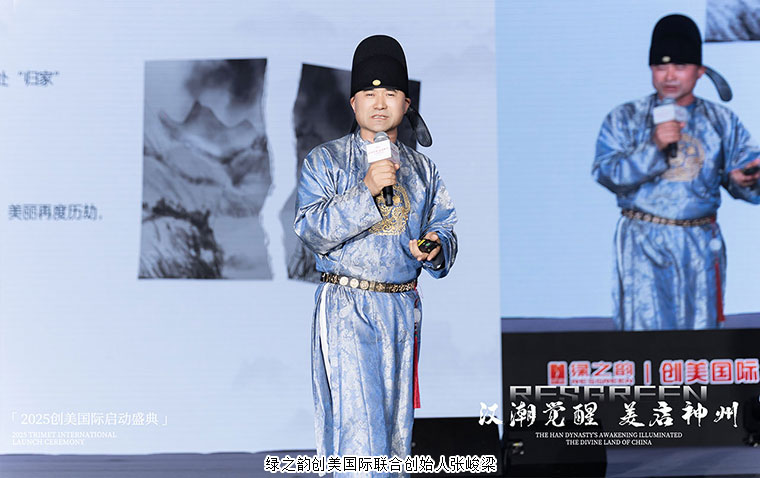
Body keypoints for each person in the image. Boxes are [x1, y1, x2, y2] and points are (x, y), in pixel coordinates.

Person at [293, 35, 457, 470]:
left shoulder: (423, 170)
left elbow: (444, 225)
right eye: (368, 93)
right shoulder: (325, 161)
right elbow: (310, 229)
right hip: (348, 306)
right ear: (353, 104)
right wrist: (366, 189)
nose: (379, 103)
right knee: (359, 434)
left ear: (407, 103)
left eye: (391, 94)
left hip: (401, 308)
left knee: (395, 437)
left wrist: (435, 246)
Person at [593, 14, 760, 331]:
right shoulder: (625, 117)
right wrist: (653, 147)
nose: (669, 75)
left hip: (700, 242)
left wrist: (747, 180)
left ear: (699, 71)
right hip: (642, 242)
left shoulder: (721, 120)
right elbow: (606, 173)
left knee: (701, 340)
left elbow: (747, 174)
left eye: (680, 66)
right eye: (660, 66)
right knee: (644, 339)